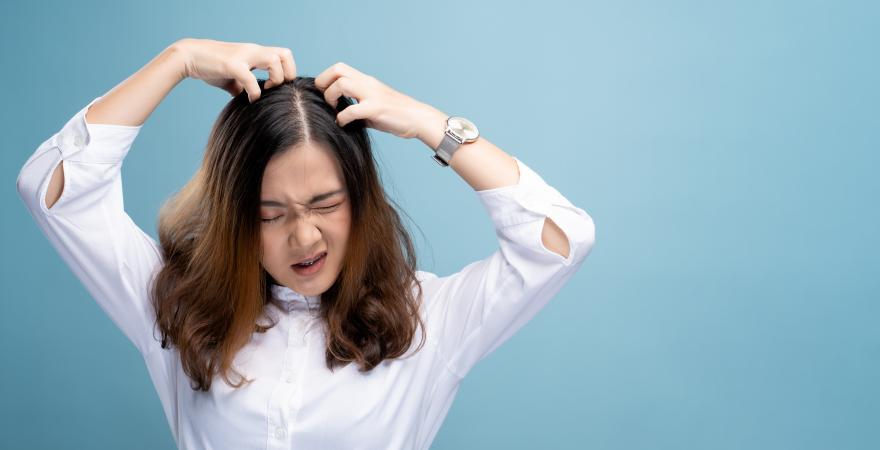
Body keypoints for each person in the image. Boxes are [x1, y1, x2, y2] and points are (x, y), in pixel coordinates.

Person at [16, 38, 596, 450]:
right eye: (271, 215)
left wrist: (427, 123)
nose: (305, 236)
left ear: (360, 198)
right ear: (236, 218)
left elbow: (560, 240)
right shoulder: (178, 306)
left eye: (325, 204)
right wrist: (179, 60)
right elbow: (53, 189)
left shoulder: (426, 319)